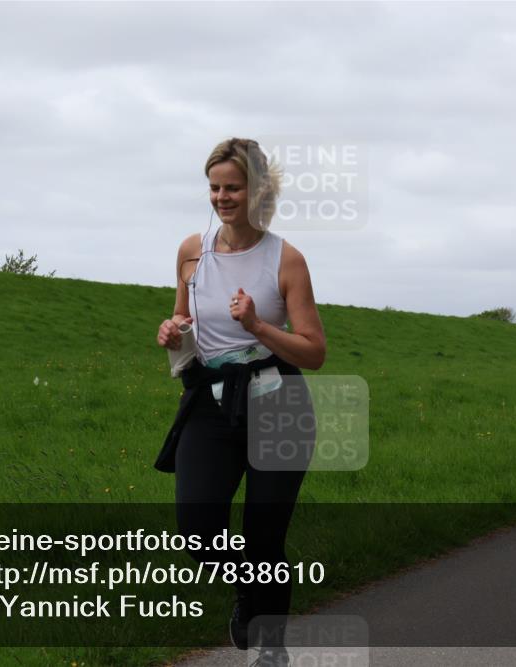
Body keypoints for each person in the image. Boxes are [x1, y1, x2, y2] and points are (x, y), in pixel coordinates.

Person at [156, 137, 326, 666]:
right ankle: (248, 594)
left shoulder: (286, 258)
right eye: (214, 187)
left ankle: (270, 650)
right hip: (210, 404)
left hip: (277, 402)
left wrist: (255, 325)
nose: (222, 197)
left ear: (257, 191)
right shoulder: (192, 251)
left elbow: (314, 351)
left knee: (265, 536)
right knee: (198, 532)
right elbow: (184, 322)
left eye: (233, 187)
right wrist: (170, 330)